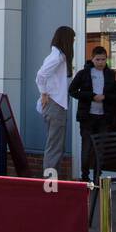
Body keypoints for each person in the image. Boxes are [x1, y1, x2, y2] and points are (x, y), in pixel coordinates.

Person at [68, 46, 116, 180]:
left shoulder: (111, 74)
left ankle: (98, 175)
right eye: (97, 59)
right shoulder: (83, 73)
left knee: (101, 148)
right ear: (92, 59)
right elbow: (72, 91)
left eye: (103, 59)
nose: (100, 62)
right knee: (86, 147)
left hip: (104, 117)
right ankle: (85, 176)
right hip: (87, 116)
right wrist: (91, 96)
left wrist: (106, 97)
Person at [36, 26, 74, 176]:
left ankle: (52, 182)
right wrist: (43, 93)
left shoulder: (58, 56)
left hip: (57, 104)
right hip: (55, 105)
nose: (73, 42)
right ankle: (50, 184)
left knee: (56, 145)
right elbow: (40, 75)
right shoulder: (57, 56)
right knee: (55, 146)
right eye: (72, 39)